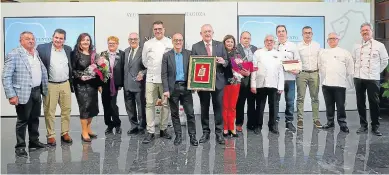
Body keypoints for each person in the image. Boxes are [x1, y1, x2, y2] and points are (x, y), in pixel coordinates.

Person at [2, 31, 48, 157]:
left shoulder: (35, 53)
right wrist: (11, 95)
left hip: (36, 91)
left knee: (35, 118)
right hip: (22, 93)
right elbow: (6, 76)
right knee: (22, 120)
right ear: (20, 41)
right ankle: (20, 147)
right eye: (27, 39)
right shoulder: (14, 54)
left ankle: (34, 142)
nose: (31, 41)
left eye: (33, 39)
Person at [191, 24, 228, 145]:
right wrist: (194, 84)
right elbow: (193, 67)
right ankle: (205, 132)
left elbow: (227, 61)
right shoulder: (196, 46)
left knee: (218, 108)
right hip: (203, 84)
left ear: (213, 33)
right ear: (201, 34)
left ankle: (219, 133)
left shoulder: (220, 45)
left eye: (209, 31)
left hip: (218, 82)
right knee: (204, 108)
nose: (207, 33)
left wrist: (223, 61)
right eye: (205, 32)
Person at [36, 28, 73, 146]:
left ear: (64, 40)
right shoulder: (42, 48)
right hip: (50, 84)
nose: (58, 40)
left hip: (65, 84)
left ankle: (65, 133)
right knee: (49, 111)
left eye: (61, 38)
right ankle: (51, 135)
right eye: (56, 37)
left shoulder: (68, 49)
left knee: (66, 110)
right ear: (53, 37)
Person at [161, 33, 199, 146]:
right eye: (176, 40)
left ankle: (192, 136)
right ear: (172, 41)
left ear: (183, 41)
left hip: (186, 87)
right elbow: (164, 74)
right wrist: (166, 89)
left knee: (190, 113)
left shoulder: (189, 54)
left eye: (180, 40)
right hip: (173, 88)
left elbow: (195, 70)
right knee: (175, 114)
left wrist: (195, 85)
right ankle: (178, 135)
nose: (178, 42)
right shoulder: (166, 55)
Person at [353, 22, 388, 136]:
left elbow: (385, 61)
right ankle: (363, 125)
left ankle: (375, 126)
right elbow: (353, 59)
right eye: (363, 30)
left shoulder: (379, 45)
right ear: (360, 33)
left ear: (371, 31)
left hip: (373, 78)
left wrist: (376, 72)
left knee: (374, 102)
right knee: (360, 102)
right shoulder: (356, 45)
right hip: (359, 77)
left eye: (367, 30)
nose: (365, 32)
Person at [141, 20, 173, 143]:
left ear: (164, 30)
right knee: (149, 104)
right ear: (153, 31)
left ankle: (163, 129)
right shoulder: (148, 44)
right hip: (151, 78)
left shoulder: (170, 43)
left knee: (165, 104)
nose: (158, 31)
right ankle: (150, 131)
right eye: (155, 29)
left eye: (160, 29)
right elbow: (144, 61)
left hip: (165, 79)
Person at [318, 32, 353, 133]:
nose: (332, 40)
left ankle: (342, 123)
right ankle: (330, 122)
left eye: (334, 38)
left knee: (340, 105)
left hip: (340, 83)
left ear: (338, 40)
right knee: (329, 105)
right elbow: (320, 66)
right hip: (326, 83)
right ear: (327, 41)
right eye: (330, 39)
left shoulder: (345, 52)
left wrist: (342, 76)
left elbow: (350, 68)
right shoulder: (323, 52)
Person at [71, 33, 101, 142]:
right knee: (84, 108)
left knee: (92, 107)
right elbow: (73, 70)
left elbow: (99, 70)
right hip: (81, 85)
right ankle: (84, 131)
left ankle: (88, 129)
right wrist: (81, 76)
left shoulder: (94, 54)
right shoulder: (75, 54)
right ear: (79, 42)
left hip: (92, 84)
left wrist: (99, 83)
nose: (86, 42)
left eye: (88, 40)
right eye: (83, 40)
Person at [251, 34, 284, 134]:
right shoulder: (258, 53)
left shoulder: (278, 54)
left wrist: (281, 86)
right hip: (260, 84)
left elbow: (280, 71)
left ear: (274, 42)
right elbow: (254, 69)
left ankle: (272, 126)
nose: (269, 42)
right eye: (267, 40)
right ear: (264, 42)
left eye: (271, 40)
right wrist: (253, 84)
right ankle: (258, 126)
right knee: (260, 106)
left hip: (274, 84)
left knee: (273, 106)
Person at [296, 26, 322, 131]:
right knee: (300, 97)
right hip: (302, 73)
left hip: (315, 74)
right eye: (305, 33)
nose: (308, 35)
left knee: (315, 98)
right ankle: (300, 119)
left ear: (312, 34)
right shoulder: (298, 46)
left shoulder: (317, 45)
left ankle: (316, 119)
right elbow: (296, 60)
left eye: (309, 33)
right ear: (302, 34)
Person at [100, 36, 124, 135]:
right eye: (110, 43)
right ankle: (109, 125)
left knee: (113, 105)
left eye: (113, 43)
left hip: (115, 83)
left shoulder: (122, 54)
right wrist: (99, 85)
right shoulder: (103, 54)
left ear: (117, 44)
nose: (111, 45)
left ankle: (117, 124)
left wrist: (121, 83)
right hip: (105, 83)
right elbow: (99, 70)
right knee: (106, 105)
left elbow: (123, 69)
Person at [124, 32, 147, 135]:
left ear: (139, 40)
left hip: (139, 85)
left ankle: (142, 126)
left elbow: (148, 67)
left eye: (135, 39)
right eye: (131, 39)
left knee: (141, 107)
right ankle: (133, 126)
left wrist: (143, 73)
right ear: (128, 40)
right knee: (130, 107)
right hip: (127, 85)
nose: (133, 41)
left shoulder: (144, 51)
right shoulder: (126, 51)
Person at [235, 31, 257, 132]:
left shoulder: (254, 49)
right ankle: (239, 123)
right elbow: (234, 64)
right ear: (240, 39)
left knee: (252, 103)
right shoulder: (236, 49)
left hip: (253, 79)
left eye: (248, 38)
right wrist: (243, 72)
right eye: (244, 38)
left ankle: (251, 124)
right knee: (240, 103)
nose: (246, 40)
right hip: (241, 79)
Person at [222, 35, 242, 137]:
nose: (230, 43)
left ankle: (232, 127)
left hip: (235, 83)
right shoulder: (221, 53)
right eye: (227, 41)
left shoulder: (237, 54)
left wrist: (241, 66)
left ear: (234, 43)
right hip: (223, 82)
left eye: (231, 42)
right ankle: (225, 127)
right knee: (225, 106)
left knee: (233, 107)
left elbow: (241, 67)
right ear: (224, 43)